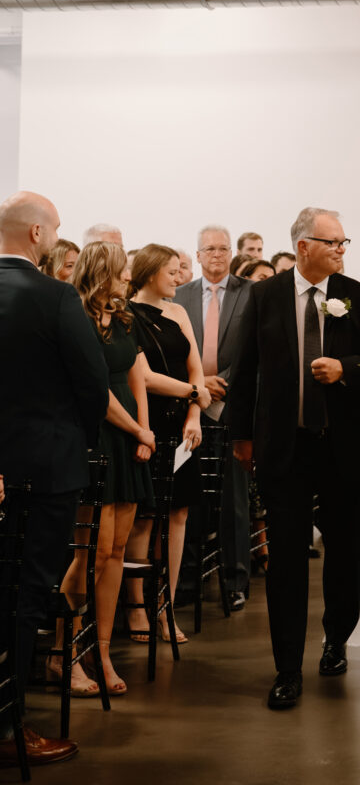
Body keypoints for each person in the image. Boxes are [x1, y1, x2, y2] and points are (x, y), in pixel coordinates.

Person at [229, 206, 360, 710]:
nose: (342, 250)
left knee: (344, 548)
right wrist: (240, 436)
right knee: (287, 560)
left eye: (344, 243)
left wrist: (345, 367)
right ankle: (286, 668)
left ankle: (337, 638)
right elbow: (244, 367)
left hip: (343, 446)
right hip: (285, 446)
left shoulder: (358, 296)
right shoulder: (264, 295)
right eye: (334, 242)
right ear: (303, 247)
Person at [0, 191, 109, 765]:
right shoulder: (56, 297)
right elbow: (92, 384)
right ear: (39, 235)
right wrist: (75, 439)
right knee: (26, 592)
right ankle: (10, 725)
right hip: (44, 470)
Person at [68, 242, 155, 695]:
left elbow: (136, 372)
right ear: (103, 273)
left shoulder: (125, 316)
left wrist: (144, 426)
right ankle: (62, 655)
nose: (128, 280)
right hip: (97, 435)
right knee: (92, 554)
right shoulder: (77, 319)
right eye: (123, 273)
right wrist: (136, 432)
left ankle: (99, 652)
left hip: (128, 438)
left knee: (118, 550)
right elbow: (95, 391)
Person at [126, 244, 211, 643]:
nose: (179, 278)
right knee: (144, 517)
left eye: (180, 271)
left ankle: (166, 606)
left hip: (182, 426)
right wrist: (195, 392)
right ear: (149, 273)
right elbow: (143, 377)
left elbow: (195, 365)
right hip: (148, 422)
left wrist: (194, 414)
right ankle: (136, 608)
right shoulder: (128, 313)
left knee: (178, 515)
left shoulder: (178, 313)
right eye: (172, 271)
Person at [175, 225, 253, 612]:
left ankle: (236, 579)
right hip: (190, 406)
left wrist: (224, 382)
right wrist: (199, 383)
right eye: (210, 249)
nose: (218, 255)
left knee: (235, 499)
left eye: (224, 248)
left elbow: (256, 350)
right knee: (188, 497)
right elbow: (173, 352)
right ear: (199, 254)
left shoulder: (249, 293)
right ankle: (187, 578)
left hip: (234, 405)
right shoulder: (180, 295)